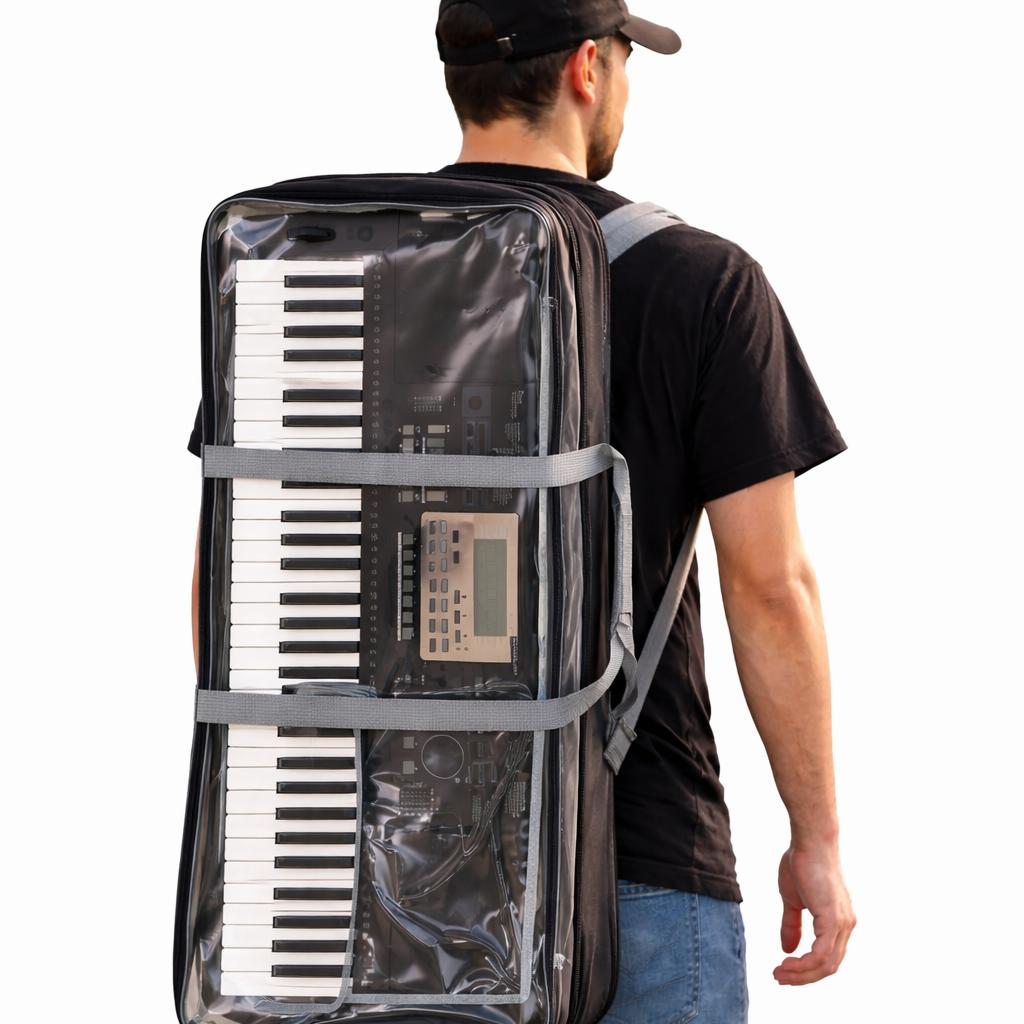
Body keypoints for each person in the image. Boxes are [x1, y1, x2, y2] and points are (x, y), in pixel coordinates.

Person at [187, 2, 856, 1019]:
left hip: (379, 889)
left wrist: (298, 816)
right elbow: (770, 587)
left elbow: (231, 583)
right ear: (589, 69)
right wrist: (817, 838)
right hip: (638, 869)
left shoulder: (316, 275)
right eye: (625, 61)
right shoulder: (701, 282)